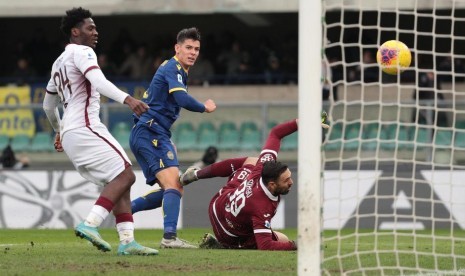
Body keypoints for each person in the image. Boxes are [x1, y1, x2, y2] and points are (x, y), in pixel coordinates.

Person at [42, 7, 158, 256]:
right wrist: (128, 99)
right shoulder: (84, 52)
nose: (96, 32)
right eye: (90, 28)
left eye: (95, 28)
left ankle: (127, 241)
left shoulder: (58, 62)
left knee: (120, 181)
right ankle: (91, 223)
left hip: (73, 132)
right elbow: (99, 82)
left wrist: (59, 130)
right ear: (76, 31)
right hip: (85, 126)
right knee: (126, 175)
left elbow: (47, 105)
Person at [129, 27, 216, 248]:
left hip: (153, 132)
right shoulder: (173, 67)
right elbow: (181, 98)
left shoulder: (177, 70)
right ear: (177, 48)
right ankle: (169, 238)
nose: (193, 52)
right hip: (150, 131)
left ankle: (124, 210)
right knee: (173, 186)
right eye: (188, 47)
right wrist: (204, 107)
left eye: (196, 49)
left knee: (173, 188)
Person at [179, 119, 300, 250]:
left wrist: (300, 122)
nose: (291, 182)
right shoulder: (261, 207)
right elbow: (265, 246)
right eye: (286, 180)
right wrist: (297, 245)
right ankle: (224, 245)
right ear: (271, 185)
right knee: (283, 239)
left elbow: (276, 133)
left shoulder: (262, 167)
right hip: (229, 234)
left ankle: (196, 175)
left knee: (252, 160)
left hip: (218, 204)